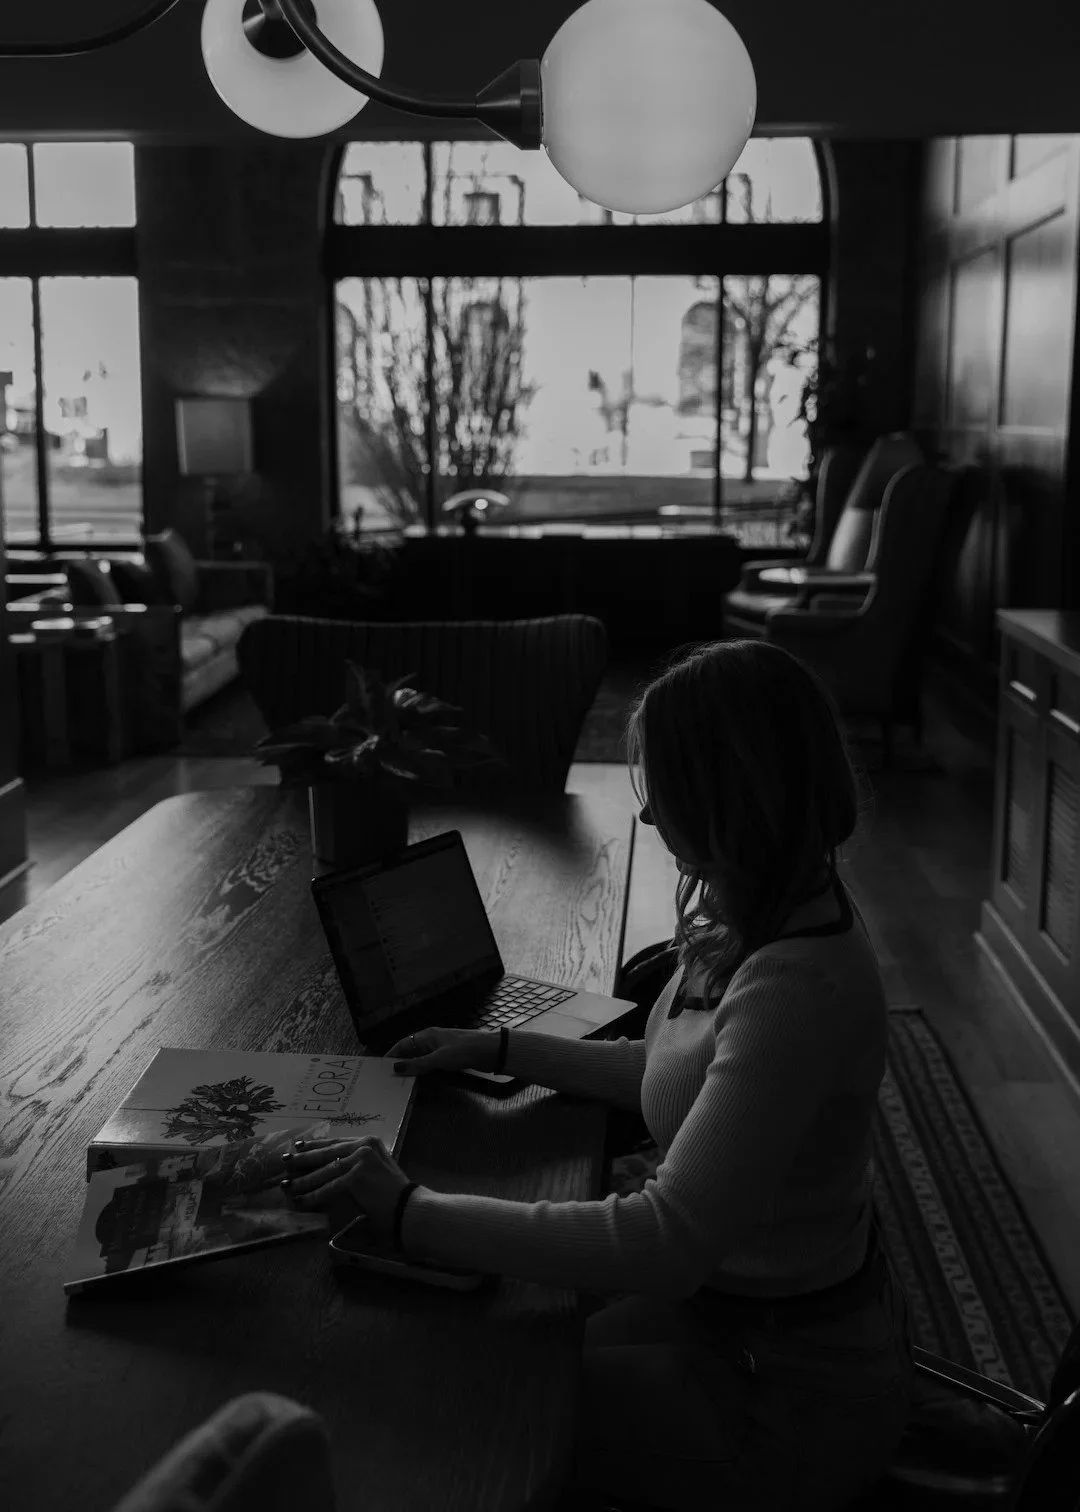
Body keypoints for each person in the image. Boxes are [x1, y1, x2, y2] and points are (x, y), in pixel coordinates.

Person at [281, 639, 915, 1511]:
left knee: (471, 1409)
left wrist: (407, 1211)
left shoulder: (798, 990)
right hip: (733, 1319)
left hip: (780, 1397)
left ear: (730, 797)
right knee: (484, 1339)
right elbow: (675, 1073)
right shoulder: (769, 910)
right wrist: (499, 1049)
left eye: (667, 790)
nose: (648, 817)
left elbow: (663, 1241)